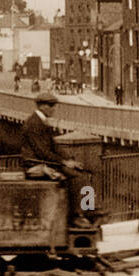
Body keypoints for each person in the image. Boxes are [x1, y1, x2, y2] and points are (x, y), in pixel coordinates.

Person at [19, 92, 90, 226]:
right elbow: (42, 151)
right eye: (51, 105)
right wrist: (64, 162)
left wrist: (69, 159)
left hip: (43, 162)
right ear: (42, 106)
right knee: (78, 178)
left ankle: (86, 210)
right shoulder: (34, 124)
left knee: (83, 174)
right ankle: (77, 216)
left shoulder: (40, 121)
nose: (54, 108)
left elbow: (54, 147)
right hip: (35, 165)